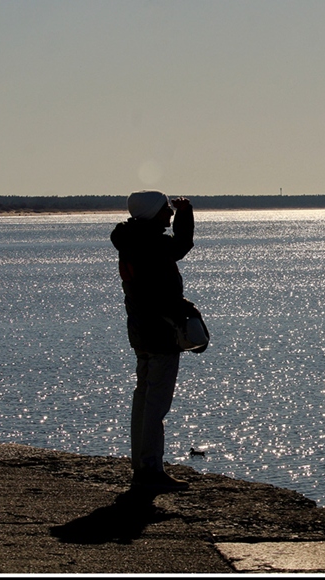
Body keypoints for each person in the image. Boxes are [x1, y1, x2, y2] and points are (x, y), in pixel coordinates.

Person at [110, 190, 201, 491]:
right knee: (156, 404)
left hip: (140, 331)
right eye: (166, 208)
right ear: (152, 214)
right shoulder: (151, 243)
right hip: (159, 332)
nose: (170, 213)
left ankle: (142, 464)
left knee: (143, 399)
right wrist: (187, 214)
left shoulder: (133, 241)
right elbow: (180, 247)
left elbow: (149, 289)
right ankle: (150, 469)